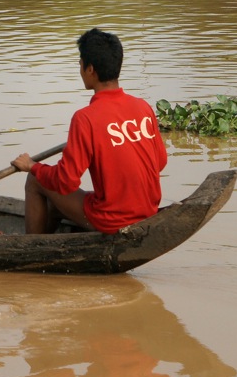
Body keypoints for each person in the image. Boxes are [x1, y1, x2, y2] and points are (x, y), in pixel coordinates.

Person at [9, 28, 166, 234]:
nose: (80, 69)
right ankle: (47, 239)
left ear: (90, 69)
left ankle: (28, 249)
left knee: (35, 180)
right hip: (148, 212)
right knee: (54, 204)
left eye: (80, 64)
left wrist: (32, 166)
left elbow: (66, 182)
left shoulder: (85, 118)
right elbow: (160, 162)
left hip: (112, 221)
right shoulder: (142, 107)